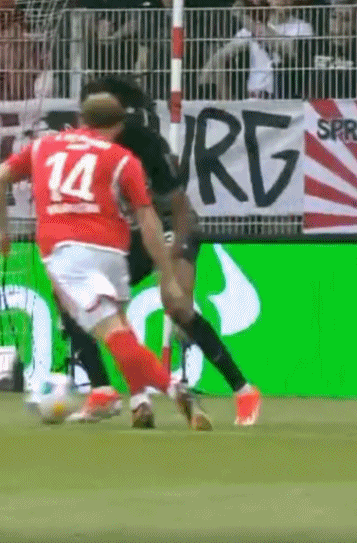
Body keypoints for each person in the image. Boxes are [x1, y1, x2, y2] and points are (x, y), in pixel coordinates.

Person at [0, 92, 211, 431]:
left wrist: (3, 232)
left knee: (112, 333)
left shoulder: (43, 146)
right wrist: (167, 274)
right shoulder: (123, 159)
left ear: (81, 119)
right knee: (120, 328)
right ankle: (138, 401)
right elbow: (149, 220)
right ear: (119, 126)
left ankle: (174, 389)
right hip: (113, 252)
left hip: (67, 253)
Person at [62, 75, 262, 426]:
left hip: (171, 223)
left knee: (176, 305)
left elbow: (178, 205)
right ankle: (118, 395)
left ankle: (243, 390)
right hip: (132, 232)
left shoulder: (143, 143)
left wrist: (174, 258)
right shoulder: (81, 149)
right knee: (83, 302)